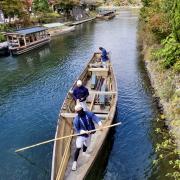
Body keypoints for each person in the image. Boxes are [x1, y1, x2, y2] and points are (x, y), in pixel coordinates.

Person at [72, 104, 103, 171]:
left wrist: (100, 124)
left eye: (80, 111)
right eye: (78, 112)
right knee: (78, 147)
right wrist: (83, 131)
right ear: (77, 112)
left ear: (82, 110)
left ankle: (84, 152)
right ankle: (74, 163)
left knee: (87, 144)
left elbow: (95, 118)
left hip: (90, 134)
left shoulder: (88, 113)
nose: (80, 113)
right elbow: (78, 129)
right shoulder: (76, 120)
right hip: (81, 136)